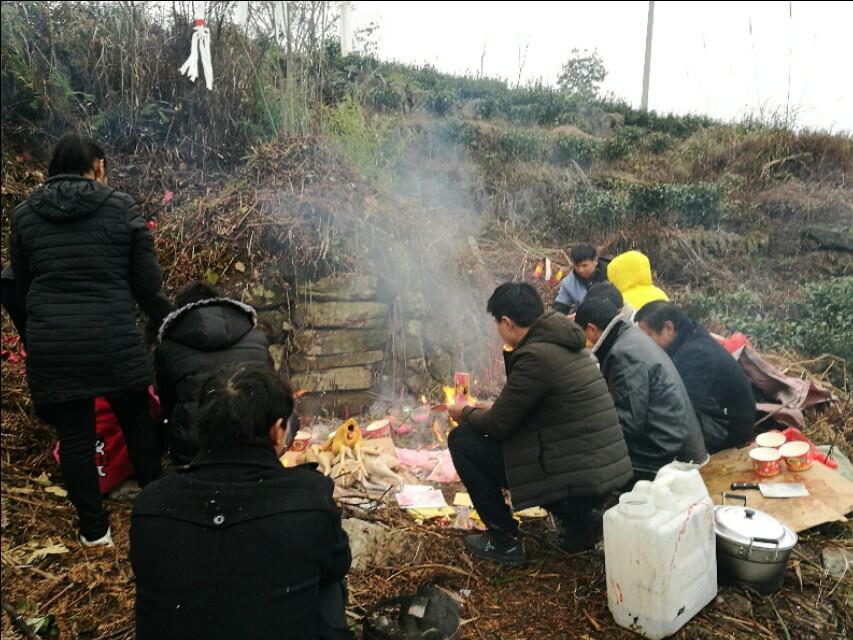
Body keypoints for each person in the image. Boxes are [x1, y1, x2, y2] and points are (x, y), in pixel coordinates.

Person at [9, 133, 168, 546]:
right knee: (136, 419)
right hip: (111, 335)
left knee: (75, 435)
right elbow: (147, 284)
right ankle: (156, 510)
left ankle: (94, 532)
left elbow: (23, 284)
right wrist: (170, 319)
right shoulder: (120, 208)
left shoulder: (24, 215)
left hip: (54, 343)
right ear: (96, 166)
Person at [131, 364, 352, 640]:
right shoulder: (310, 498)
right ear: (277, 430)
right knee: (329, 584)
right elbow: (339, 563)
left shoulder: (150, 503)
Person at [448, 283, 633, 563]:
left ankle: (504, 540)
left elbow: (499, 426)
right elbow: (537, 407)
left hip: (580, 482)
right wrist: (489, 409)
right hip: (600, 475)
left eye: (497, 323)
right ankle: (580, 522)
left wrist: (464, 412)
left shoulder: (536, 356)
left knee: (462, 440)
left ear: (507, 322)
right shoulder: (564, 344)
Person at [575, 297, 708, 480]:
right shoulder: (629, 336)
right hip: (675, 436)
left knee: (587, 461)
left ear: (591, 329)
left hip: (669, 450)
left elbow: (627, 422)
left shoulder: (624, 353)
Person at [155, 281, 271, 465]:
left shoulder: (168, 349)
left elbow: (168, 404)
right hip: (255, 439)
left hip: (194, 448)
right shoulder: (257, 338)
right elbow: (272, 390)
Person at [636, 302, 756, 453]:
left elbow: (680, 409)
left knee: (661, 436)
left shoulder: (697, 355)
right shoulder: (689, 335)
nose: (644, 344)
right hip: (717, 412)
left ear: (668, 328)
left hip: (728, 426)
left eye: (648, 336)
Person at [553, 243, 609, 315]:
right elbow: (559, 308)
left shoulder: (612, 273)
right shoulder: (568, 283)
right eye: (576, 266)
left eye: (584, 265)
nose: (580, 270)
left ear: (595, 261)